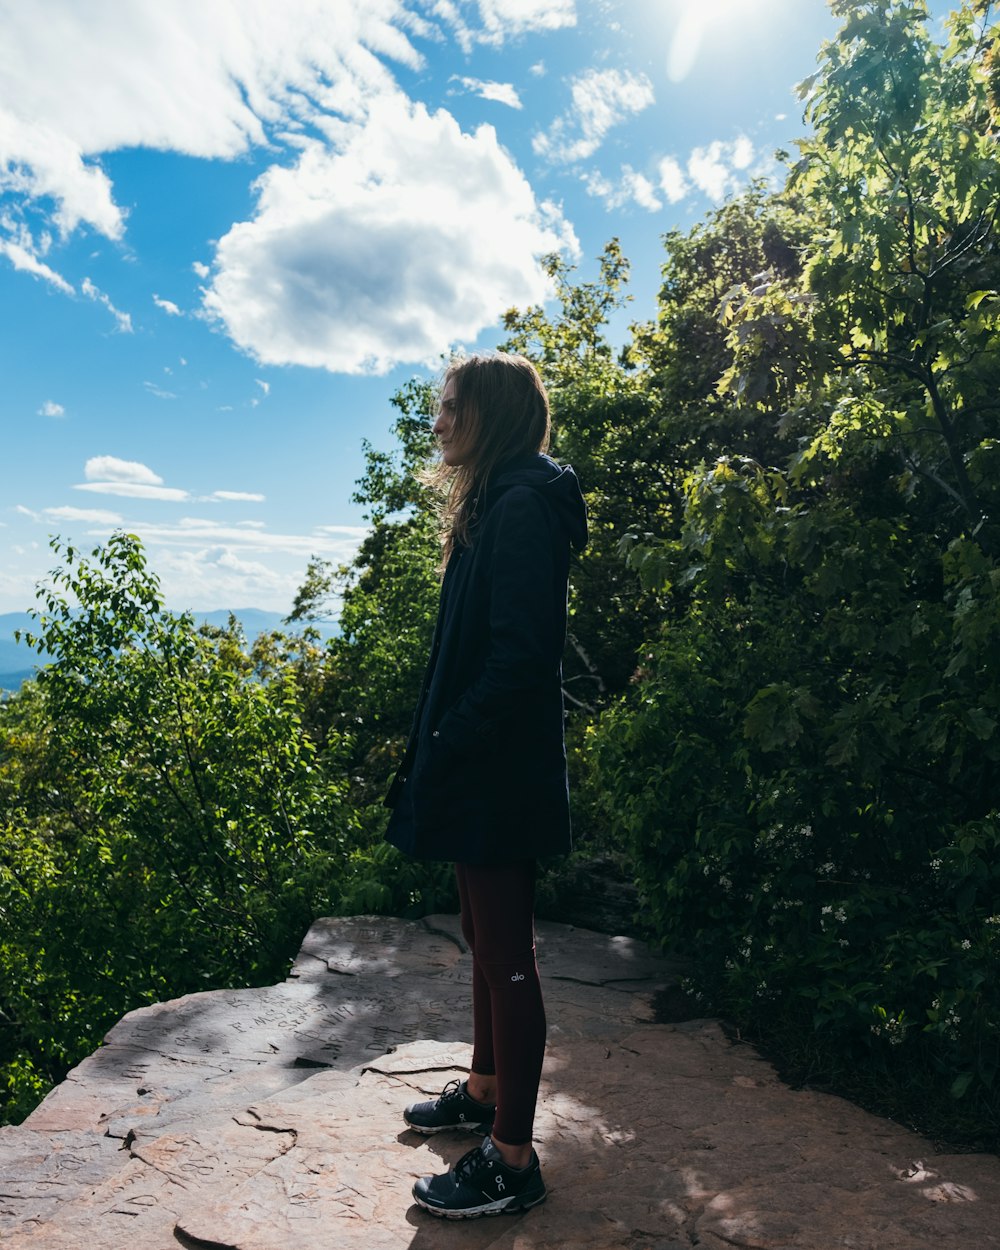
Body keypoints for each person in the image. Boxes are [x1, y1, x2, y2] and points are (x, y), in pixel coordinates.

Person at [383, 350, 587, 1219]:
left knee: (506, 956)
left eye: (450, 406)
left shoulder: (519, 509)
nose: (437, 423)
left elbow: (519, 658)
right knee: (480, 929)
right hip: (484, 764)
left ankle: (511, 1158)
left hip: (497, 767)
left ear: (490, 416)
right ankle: (482, 1089)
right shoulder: (502, 500)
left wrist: (451, 739)